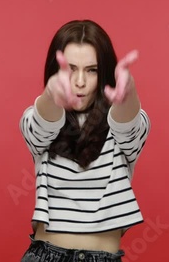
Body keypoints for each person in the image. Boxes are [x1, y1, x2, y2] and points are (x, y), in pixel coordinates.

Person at [19, 19, 151, 262]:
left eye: (92, 70)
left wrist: (128, 91)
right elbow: (43, 123)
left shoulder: (124, 126)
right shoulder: (35, 119)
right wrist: (51, 94)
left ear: (106, 73)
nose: (80, 81)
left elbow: (126, 124)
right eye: (70, 70)